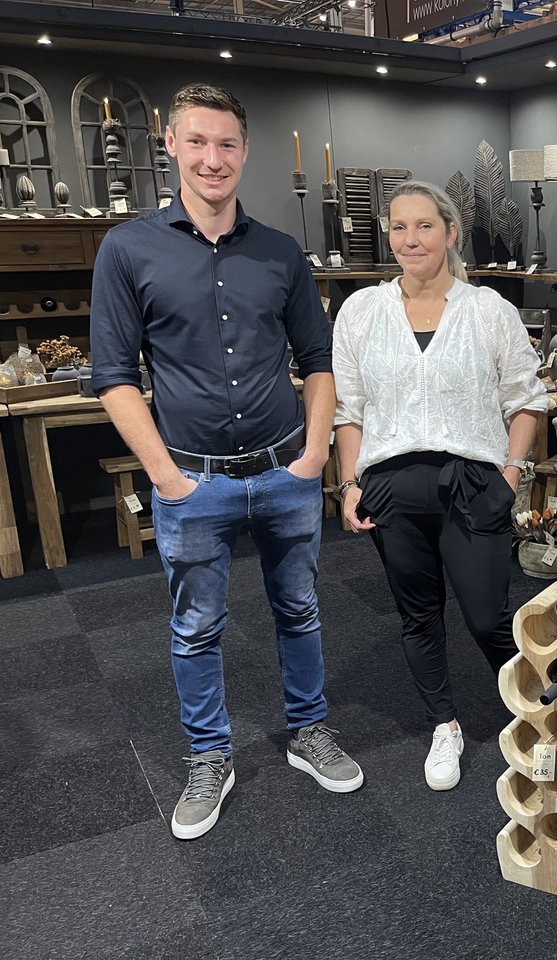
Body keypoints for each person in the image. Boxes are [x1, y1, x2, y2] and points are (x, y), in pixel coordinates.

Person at [90, 83, 363, 841]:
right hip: (193, 481)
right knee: (195, 628)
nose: (214, 158)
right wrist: (165, 477)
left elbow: (318, 359)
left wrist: (314, 455)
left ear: (245, 151)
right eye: (199, 142)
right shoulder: (128, 249)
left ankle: (308, 730)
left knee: (300, 610)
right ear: (171, 145)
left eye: (228, 144)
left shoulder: (279, 252)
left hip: (284, 473)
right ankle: (209, 755)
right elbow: (113, 375)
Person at [332, 180, 548, 791]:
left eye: (424, 225)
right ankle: (444, 726)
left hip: (472, 481)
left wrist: (511, 472)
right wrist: (349, 485)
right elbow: (350, 409)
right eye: (398, 227)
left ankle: (541, 713)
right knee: (418, 615)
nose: (411, 239)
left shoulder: (488, 311)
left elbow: (526, 399)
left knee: (487, 616)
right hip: (390, 486)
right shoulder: (361, 312)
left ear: (451, 233)